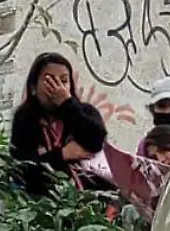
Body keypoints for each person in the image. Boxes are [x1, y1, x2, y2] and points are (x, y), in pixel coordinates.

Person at [11, 52, 108, 197]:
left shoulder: (84, 112)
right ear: (33, 87)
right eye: (50, 81)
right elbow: (23, 167)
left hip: (91, 202)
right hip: (45, 205)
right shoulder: (25, 119)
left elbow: (96, 141)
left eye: (64, 81)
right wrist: (62, 154)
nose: (58, 88)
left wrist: (66, 103)